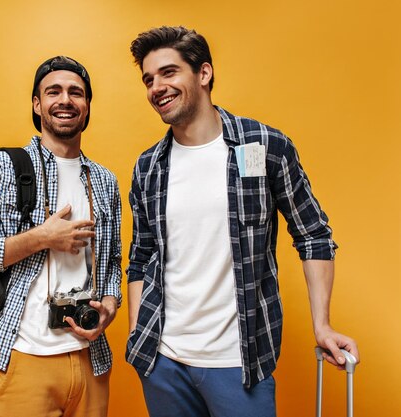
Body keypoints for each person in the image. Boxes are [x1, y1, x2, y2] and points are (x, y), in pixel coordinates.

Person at [125, 26, 359, 417]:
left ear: (203, 73)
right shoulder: (149, 166)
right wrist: (137, 335)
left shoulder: (264, 146)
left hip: (240, 361)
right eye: (149, 79)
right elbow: (141, 255)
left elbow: (313, 234)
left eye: (168, 72)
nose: (156, 87)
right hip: (162, 360)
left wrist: (323, 325)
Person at [0, 56, 122, 417]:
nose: (65, 100)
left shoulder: (105, 181)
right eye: (53, 91)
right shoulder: (0, 167)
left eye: (76, 92)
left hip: (92, 358)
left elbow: (114, 258)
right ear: (37, 104)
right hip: (26, 356)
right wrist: (41, 238)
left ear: (87, 106)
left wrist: (110, 302)